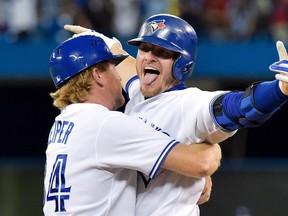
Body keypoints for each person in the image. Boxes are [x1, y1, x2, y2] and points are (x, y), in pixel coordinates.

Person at [64, 14, 288, 215]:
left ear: (182, 63)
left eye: (162, 52)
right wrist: (102, 42)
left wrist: (279, 91)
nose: (149, 57)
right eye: (144, 48)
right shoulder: (138, 94)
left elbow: (239, 107)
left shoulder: (189, 104)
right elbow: (125, 62)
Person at [43, 32, 222, 215]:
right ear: (98, 75)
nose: (120, 77)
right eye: (113, 66)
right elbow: (201, 163)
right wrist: (210, 144)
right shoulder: (106, 125)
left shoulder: (63, 124)